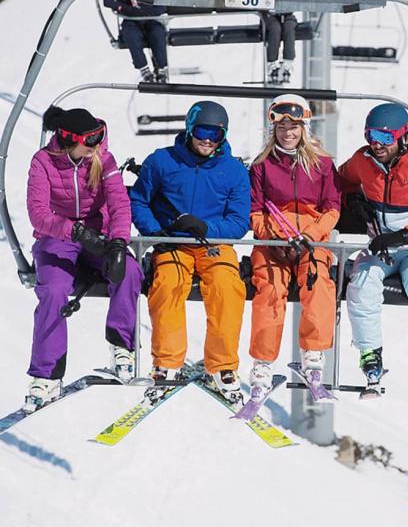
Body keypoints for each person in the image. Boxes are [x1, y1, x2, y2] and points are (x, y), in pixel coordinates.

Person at [130, 100, 250, 404]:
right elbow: (139, 201)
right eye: (201, 131)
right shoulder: (162, 162)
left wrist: (206, 227)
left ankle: (221, 366)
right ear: (189, 128)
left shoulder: (233, 170)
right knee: (167, 284)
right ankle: (167, 363)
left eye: (216, 134)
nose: (207, 140)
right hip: (173, 242)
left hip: (213, 245)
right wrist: (156, 232)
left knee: (227, 287)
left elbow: (238, 221)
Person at [25, 106, 144, 410]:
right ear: (70, 139)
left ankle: (121, 346)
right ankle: (46, 374)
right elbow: (38, 215)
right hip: (58, 239)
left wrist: (118, 242)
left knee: (129, 272)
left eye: (99, 138)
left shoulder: (103, 159)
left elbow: (119, 203)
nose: (96, 146)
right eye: (90, 141)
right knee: (53, 291)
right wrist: (74, 232)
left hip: (100, 238)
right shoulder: (42, 162)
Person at [338, 103, 408, 390]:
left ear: (403, 137)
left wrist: (404, 236)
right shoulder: (364, 160)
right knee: (361, 286)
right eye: (371, 136)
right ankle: (370, 352)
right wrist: (354, 201)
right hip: (380, 247)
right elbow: (341, 179)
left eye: (385, 138)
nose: (377, 144)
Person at [249, 94, 341, 395]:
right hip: (272, 242)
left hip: (310, 242)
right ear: (273, 129)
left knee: (318, 283)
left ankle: (313, 354)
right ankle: (262, 361)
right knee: (270, 288)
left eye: (294, 127)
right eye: (282, 127)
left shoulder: (323, 165)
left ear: (304, 128)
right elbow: (256, 210)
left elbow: (332, 209)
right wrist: (270, 236)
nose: (288, 133)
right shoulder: (262, 166)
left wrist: (312, 236)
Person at [257, 0, 298, 85]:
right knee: (274, 30)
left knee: (289, 28)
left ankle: (288, 62)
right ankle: (272, 63)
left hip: (286, 12)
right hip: (270, 13)